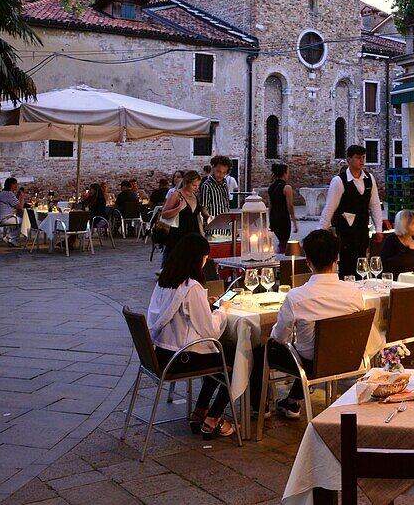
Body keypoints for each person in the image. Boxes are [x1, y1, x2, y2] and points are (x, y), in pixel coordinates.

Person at [251, 229, 365, 419]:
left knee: (261, 349)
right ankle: (293, 401)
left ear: (308, 261)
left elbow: (279, 337)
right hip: (347, 358)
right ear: (337, 258)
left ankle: (260, 407)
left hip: (309, 362)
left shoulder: (297, 296)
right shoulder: (354, 292)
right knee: (308, 347)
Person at [147, 234, 235, 437]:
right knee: (236, 358)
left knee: (217, 356)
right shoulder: (191, 287)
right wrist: (223, 309)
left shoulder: (165, 280)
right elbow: (211, 331)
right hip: (181, 358)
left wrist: (204, 304)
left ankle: (200, 411)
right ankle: (214, 418)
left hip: (161, 354)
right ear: (197, 259)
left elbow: (178, 312)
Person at [319, 145, 383, 279]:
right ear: (349, 160)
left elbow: (375, 204)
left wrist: (379, 229)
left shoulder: (369, 179)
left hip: (363, 230)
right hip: (345, 233)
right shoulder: (339, 181)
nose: (362, 161)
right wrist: (320, 231)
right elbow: (330, 207)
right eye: (358, 158)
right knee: (347, 266)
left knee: (362, 264)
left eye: (363, 158)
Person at [161, 170, 204, 266]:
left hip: (193, 233)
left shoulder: (194, 196)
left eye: (198, 186)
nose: (196, 188)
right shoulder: (176, 195)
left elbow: (196, 215)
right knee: (175, 263)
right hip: (178, 234)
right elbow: (164, 214)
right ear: (186, 183)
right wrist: (179, 208)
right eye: (194, 185)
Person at [267, 164, 299, 253]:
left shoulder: (271, 188)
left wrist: (270, 221)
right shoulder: (287, 188)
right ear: (284, 174)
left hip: (274, 218)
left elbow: (270, 206)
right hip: (283, 219)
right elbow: (290, 206)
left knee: (282, 241)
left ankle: (279, 256)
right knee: (284, 242)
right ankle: (281, 260)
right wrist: (295, 223)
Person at [200, 156, 233, 240]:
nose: (221, 175)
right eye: (218, 171)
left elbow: (226, 207)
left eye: (224, 172)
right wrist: (211, 219)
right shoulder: (207, 186)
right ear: (213, 168)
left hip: (226, 230)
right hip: (213, 231)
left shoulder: (225, 185)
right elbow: (203, 209)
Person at [0, 177, 24, 247]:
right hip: (4, 219)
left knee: (18, 219)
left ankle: (9, 237)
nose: (17, 186)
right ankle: (11, 238)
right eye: (15, 184)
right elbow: (20, 207)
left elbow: (15, 204)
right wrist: (22, 196)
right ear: (12, 185)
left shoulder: (2, 193)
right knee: (25, 221)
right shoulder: (8, 194)